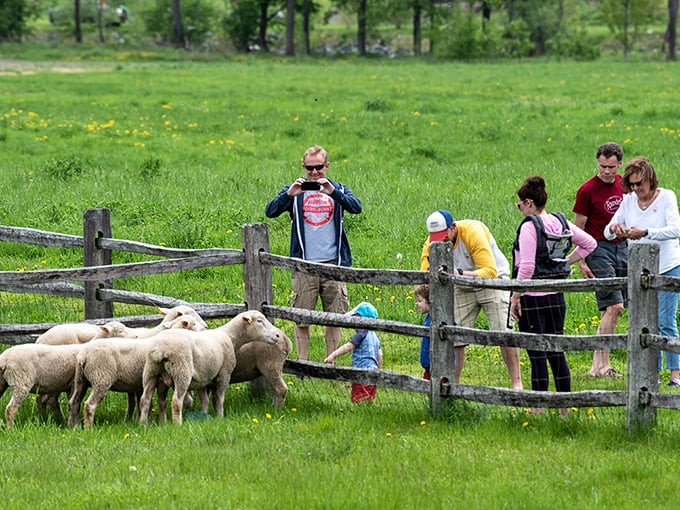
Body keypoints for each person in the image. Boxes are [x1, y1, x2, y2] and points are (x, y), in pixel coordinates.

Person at [265, 145, 362, 361]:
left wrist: (333, 192)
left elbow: (357, 208)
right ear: (303, 167)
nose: (315, 173)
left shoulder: (339, 189)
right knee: (302, 318)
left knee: (334, 318)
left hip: (333, 264)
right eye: (310, 168)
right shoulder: (295, 191)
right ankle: (303, 363)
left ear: (327, 166)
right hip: (304, 265)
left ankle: (329, 362)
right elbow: (270, 212)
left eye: (319, 167)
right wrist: (289, 196)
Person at [510, 176, 596, 401]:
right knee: (556, 351)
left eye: (519, 204)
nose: (519, 208)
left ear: (529, 203)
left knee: (537, 353)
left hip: (533, 298)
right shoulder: (560, 222)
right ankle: (565, 406)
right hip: (557, 296)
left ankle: (538, 406)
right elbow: (590, 243)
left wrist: (515, 297)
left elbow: (527, 267)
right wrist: (565, 262)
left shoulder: (530, 226)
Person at [421, 210, 523, 389]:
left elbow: (490, 271)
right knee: (455, 336)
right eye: (436, 238)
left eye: (444, 237)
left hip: (493, 283)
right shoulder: (431, 244)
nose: (441, 242)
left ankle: (516, 383)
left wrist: (457, 274)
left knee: (503, 333)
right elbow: (424, 274)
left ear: (453, 228)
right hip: (461, 287)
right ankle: (453, 386)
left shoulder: (472, 232)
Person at [604, 156, 680, 387]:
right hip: (640, 271)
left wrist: (646, 232)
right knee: (646, 323)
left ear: (650, 180)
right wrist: (615, 228)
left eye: (640, 184)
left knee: (665, 320)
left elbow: (675, 229)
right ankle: (652, 373)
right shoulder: (628, 201)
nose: (637, 189)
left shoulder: (666, 197)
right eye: (633, 185)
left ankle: (675, 374)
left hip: (668, 265)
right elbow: (608, 231)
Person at [573, 142, 627, 378]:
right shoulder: (587, 190)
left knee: (612, 309)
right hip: (597, 248)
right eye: (603, 166)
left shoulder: (625, 185)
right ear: (598, 163)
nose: (607, 171)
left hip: (622, 246)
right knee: (615, 306)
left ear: (619, 164)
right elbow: (579, 228)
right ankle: (600, 365)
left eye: (612, 167)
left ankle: (599, 365)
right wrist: (581, 261)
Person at [324, 302, 383, 403]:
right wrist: (377, 369)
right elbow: (380, 355)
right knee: (369, 398)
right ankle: (369, 410)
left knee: (358, 398)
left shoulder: (361, 335)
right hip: (373, 372)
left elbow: (348, 346)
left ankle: (359, 409)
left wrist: (333, 355)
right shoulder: (375, 337)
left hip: (361, 372)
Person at [414, 284, 433, 380]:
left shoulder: (435, 320)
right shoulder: (428, 319)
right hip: (428, 366)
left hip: (436, 367)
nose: (416, 304)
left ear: (430, 302)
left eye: (420, 301)